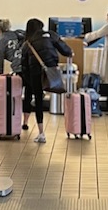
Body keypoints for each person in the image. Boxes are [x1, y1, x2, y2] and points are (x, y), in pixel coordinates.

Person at [19, 17, 73, 145]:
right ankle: (71, 125)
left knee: (37, 99)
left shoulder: (28, 43)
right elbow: (66, 50)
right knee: (60, 93)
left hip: (35, 72)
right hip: (51, 71)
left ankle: (41, 132)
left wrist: (29, 81)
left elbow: (24, 64)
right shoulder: (52, 35)